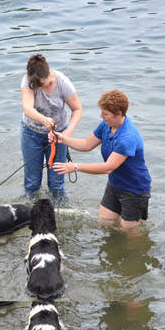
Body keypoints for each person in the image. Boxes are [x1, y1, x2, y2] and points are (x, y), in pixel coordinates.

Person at [51, 89, 151, 230]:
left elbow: (108, 167)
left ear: (119, 114)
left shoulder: (128, 137)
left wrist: (75, 167)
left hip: (134, 190)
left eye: (105, 114)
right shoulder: (106, 125)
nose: (101, 116)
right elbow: (87, 144)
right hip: (115, 184)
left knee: (129, 234)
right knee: (105, 224)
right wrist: (63, 139)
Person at [21, 54, 82, 200]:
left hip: (59, 134)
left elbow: (77, 109)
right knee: (32, 182)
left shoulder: (62, 82)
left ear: (49, 74)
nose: (41, 88)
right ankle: (30, 212)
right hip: (31, 133)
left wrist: (67, 134)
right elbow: (27, 109)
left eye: (44, 84)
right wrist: (43, 119)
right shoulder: (27, 80)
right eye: (37, 86)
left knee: (56, 183)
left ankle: (59, 211)